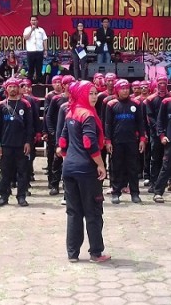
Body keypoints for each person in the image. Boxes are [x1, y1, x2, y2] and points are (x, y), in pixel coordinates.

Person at [57, 80, 110, 263]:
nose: (94, 97)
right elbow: (90, 143)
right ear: (81, 94)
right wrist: (101, 164)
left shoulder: (71, 112)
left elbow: (63, 141)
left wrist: (68, 157)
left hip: (69, 168)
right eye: (90, 93)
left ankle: (72, 254)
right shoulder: (87, 114)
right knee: (93, 211)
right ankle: (96, 253)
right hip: (86, 170)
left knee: (74, 212)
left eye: (96, 93)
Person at [104, 79, 147, 204]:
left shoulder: (136, 103)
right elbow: (107, 124)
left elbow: (141, 122)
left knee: (133, 168)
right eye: (122, 88)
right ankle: (116, 193)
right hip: (117, 142)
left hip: (132, 141)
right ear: (117, 89)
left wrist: (142, 139)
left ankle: (135, 193)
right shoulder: (111, 104)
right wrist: (108, 141)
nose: (125, 90)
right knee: (117, 167)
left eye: (127, 88)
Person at [0, 78, 34, 207]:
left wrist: (28, 141)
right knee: (5, 172)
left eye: (15, 86)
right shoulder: (1, 106)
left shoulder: (25, 104)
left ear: (18, 88)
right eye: (10, 86)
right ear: (6, 89)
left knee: (22, 171)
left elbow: (29, 125)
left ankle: (21, 196)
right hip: (6, 145)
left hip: (21, 144)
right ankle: (3, 196)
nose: (12, 89)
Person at [22, 16, 48, 83]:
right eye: (32, 20)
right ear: (30, 22)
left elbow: (45, 40)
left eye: (35, 20)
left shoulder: (41, 30)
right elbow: (25, 38)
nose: (33, 22)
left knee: (39, 67)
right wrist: (31, 30)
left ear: (37, 21)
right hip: (31, 52)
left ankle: (39, 81)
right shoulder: (27, 29)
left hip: (39, 51)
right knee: (31, 68)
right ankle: (29, 82)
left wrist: (45, 50)